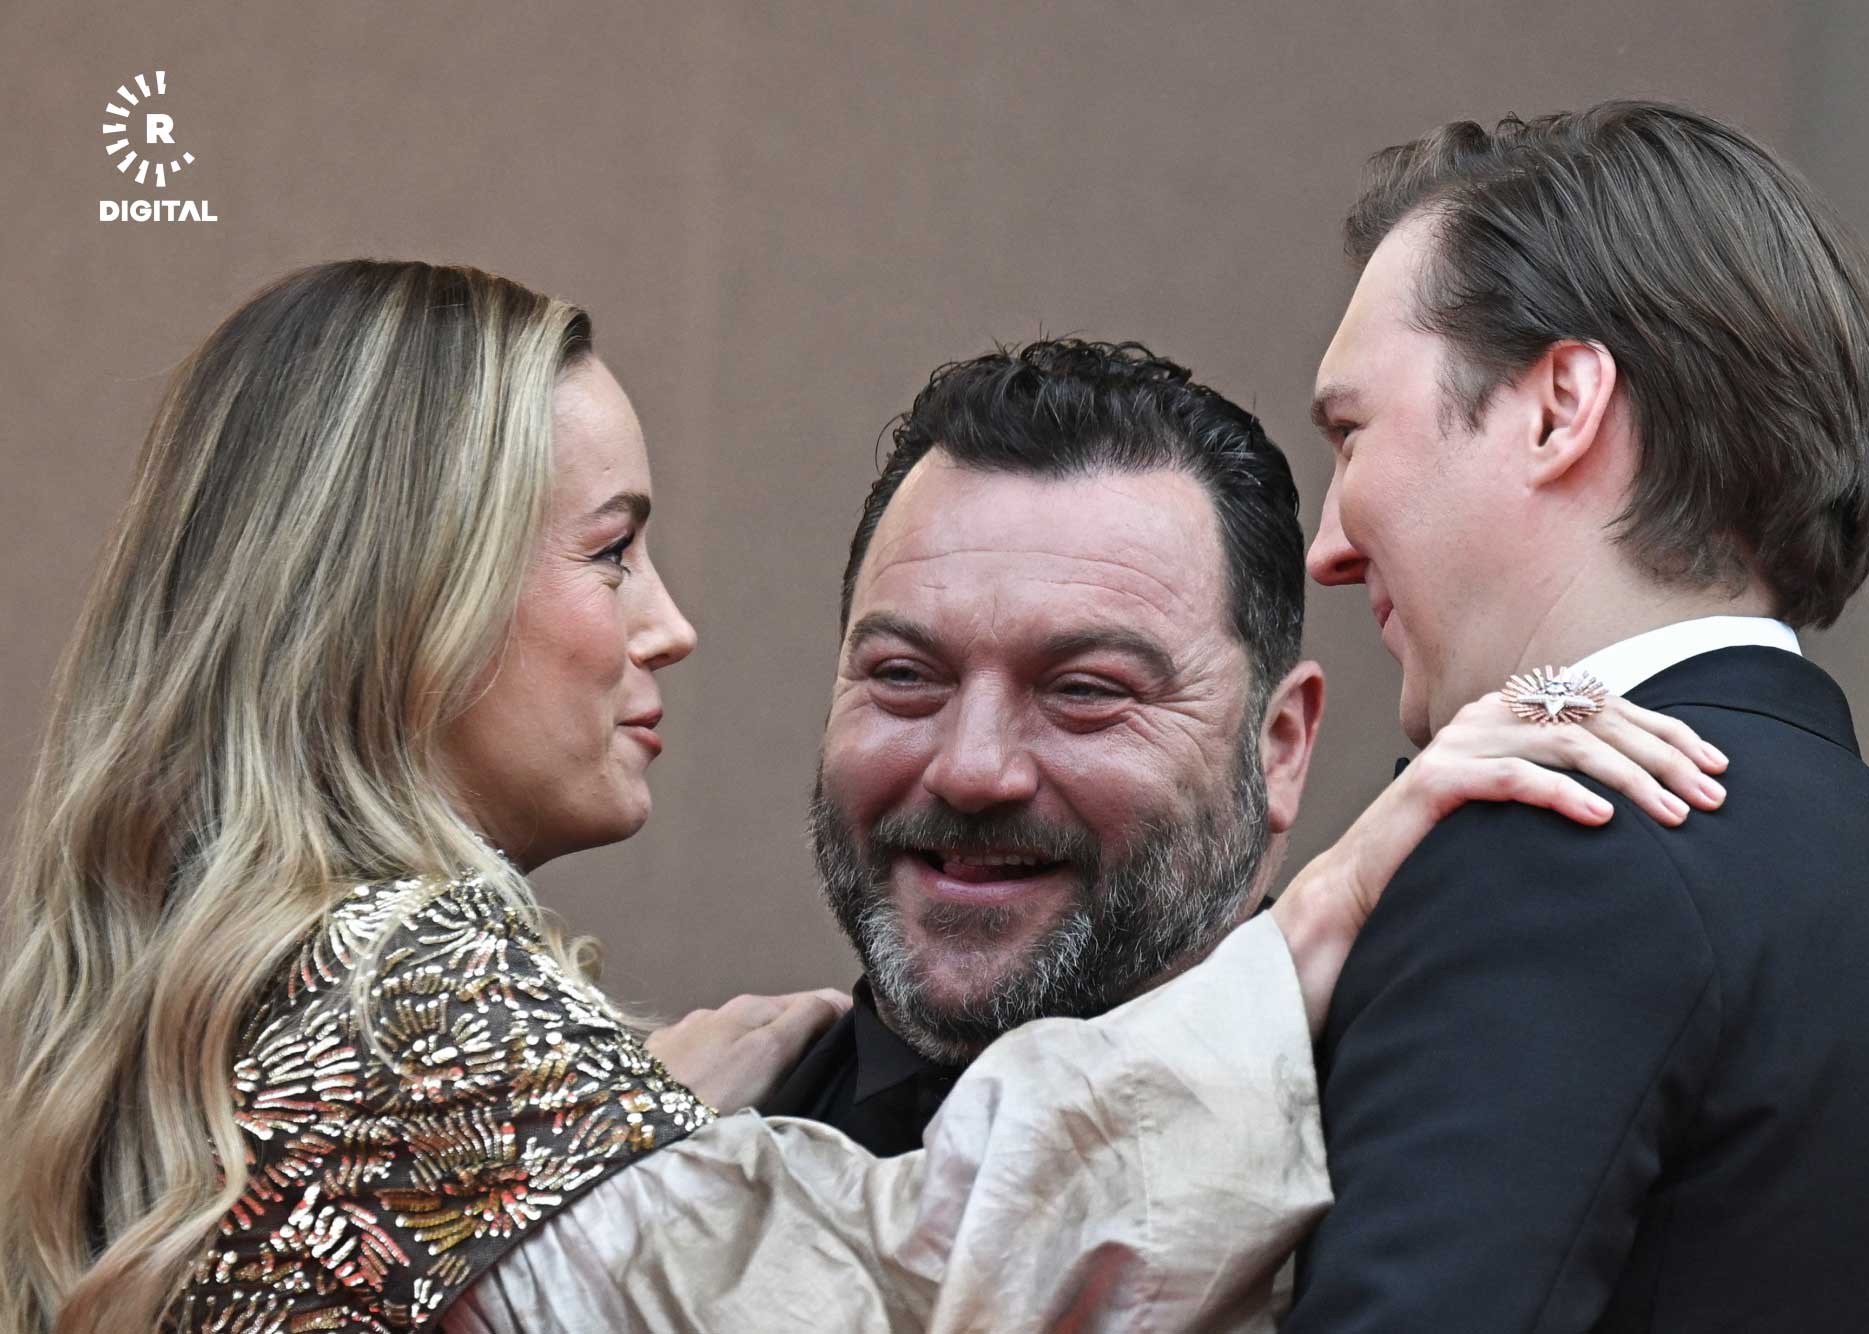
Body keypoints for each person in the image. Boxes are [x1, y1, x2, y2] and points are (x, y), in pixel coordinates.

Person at [0, 260, 1719, 1334]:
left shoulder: (234, 985)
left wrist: (618, 1137)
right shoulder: (400, 990)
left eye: (1086, 688)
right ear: (404, 599)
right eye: (612, 550)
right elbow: (913, 1282)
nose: (671, 622)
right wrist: (1332, 905)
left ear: (1281, 744)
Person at [1288, 100, 1869, 1331]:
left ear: (1558, 405)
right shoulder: (1852, 858)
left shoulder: (1561, 840)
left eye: (1350, 434)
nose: (1326, 547)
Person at [764, 339, 1724, 1153]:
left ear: (1281, 748)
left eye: (1085, 692)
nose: (972, 769)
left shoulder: (1424, 1149)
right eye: (904, 676)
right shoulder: (721, 1118)